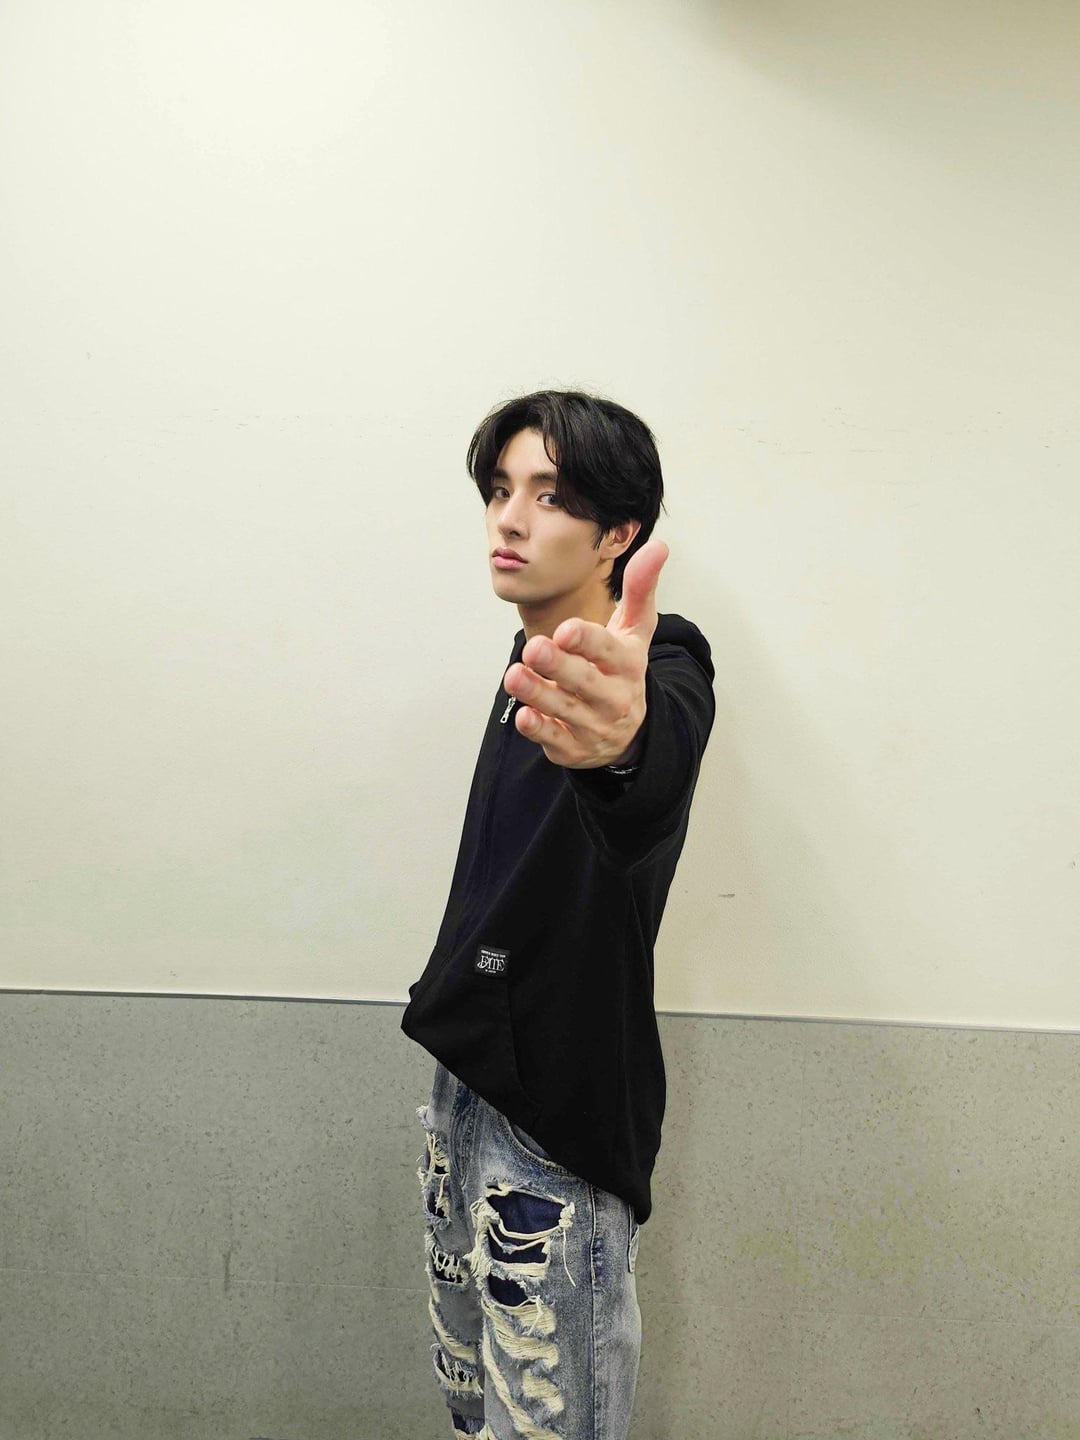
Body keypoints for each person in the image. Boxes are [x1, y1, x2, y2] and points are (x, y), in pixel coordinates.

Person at [401, 389, 715, 1440]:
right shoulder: (524, 667)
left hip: (555, 1120)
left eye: (547, 494)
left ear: (618, 532)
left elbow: (649, 771)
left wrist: (623, 749)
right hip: (464, 1083)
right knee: (473, 1406)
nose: (508, 517)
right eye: (500, 489)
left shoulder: (653, 666)